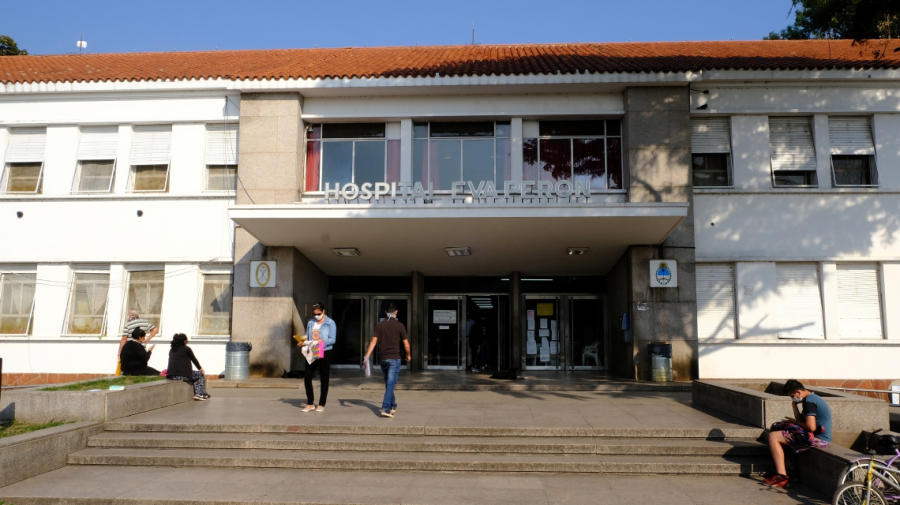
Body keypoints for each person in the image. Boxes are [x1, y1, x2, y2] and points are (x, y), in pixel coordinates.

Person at [764, 379, 832, 488]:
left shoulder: (809, 402)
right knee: (780, 433)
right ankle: (791, 471)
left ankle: (781, 476)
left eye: (792, 396)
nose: (793, 398)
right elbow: (802, 420)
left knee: (773, 437)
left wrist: (794, 422)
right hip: (815, 436)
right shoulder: (811, 398)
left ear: (798, 392)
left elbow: (811, 427)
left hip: (819, 440)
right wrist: (794, 406)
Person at [364, 303, 410, 418]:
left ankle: (393, 405)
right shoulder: (400, 325)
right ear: (396, 312)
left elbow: (373, 342)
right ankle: (385, 408)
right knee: (390, 383)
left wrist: (367, 356)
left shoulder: (379, 325)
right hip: (394, 358)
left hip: (383, 359)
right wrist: (408, 355)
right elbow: (406, 344)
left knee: (389, 383)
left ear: (385, 312)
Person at [300, 302, 336, 413]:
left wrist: (322, 342)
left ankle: (321, 403)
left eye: (318, 314)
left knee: (324, 377)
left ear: (323, 311)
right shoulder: (311, 322)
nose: (316, 316)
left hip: (324, 350)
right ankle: (310, 403)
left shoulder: (330, 323)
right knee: (307, 376)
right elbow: (308, 336)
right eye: (314, 314)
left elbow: (332, 339)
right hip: (312, 350)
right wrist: (302, 342)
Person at [166, 333, 210, 401]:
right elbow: (194, 359)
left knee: (195, 375)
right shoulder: (186, 349)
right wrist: (200, 368)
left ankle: (203, 393)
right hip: (182, 375)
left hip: (171, 375)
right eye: (187, 341)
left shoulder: (172, 350)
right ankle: (200, 394)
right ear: (184, 341)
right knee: (200, 374)